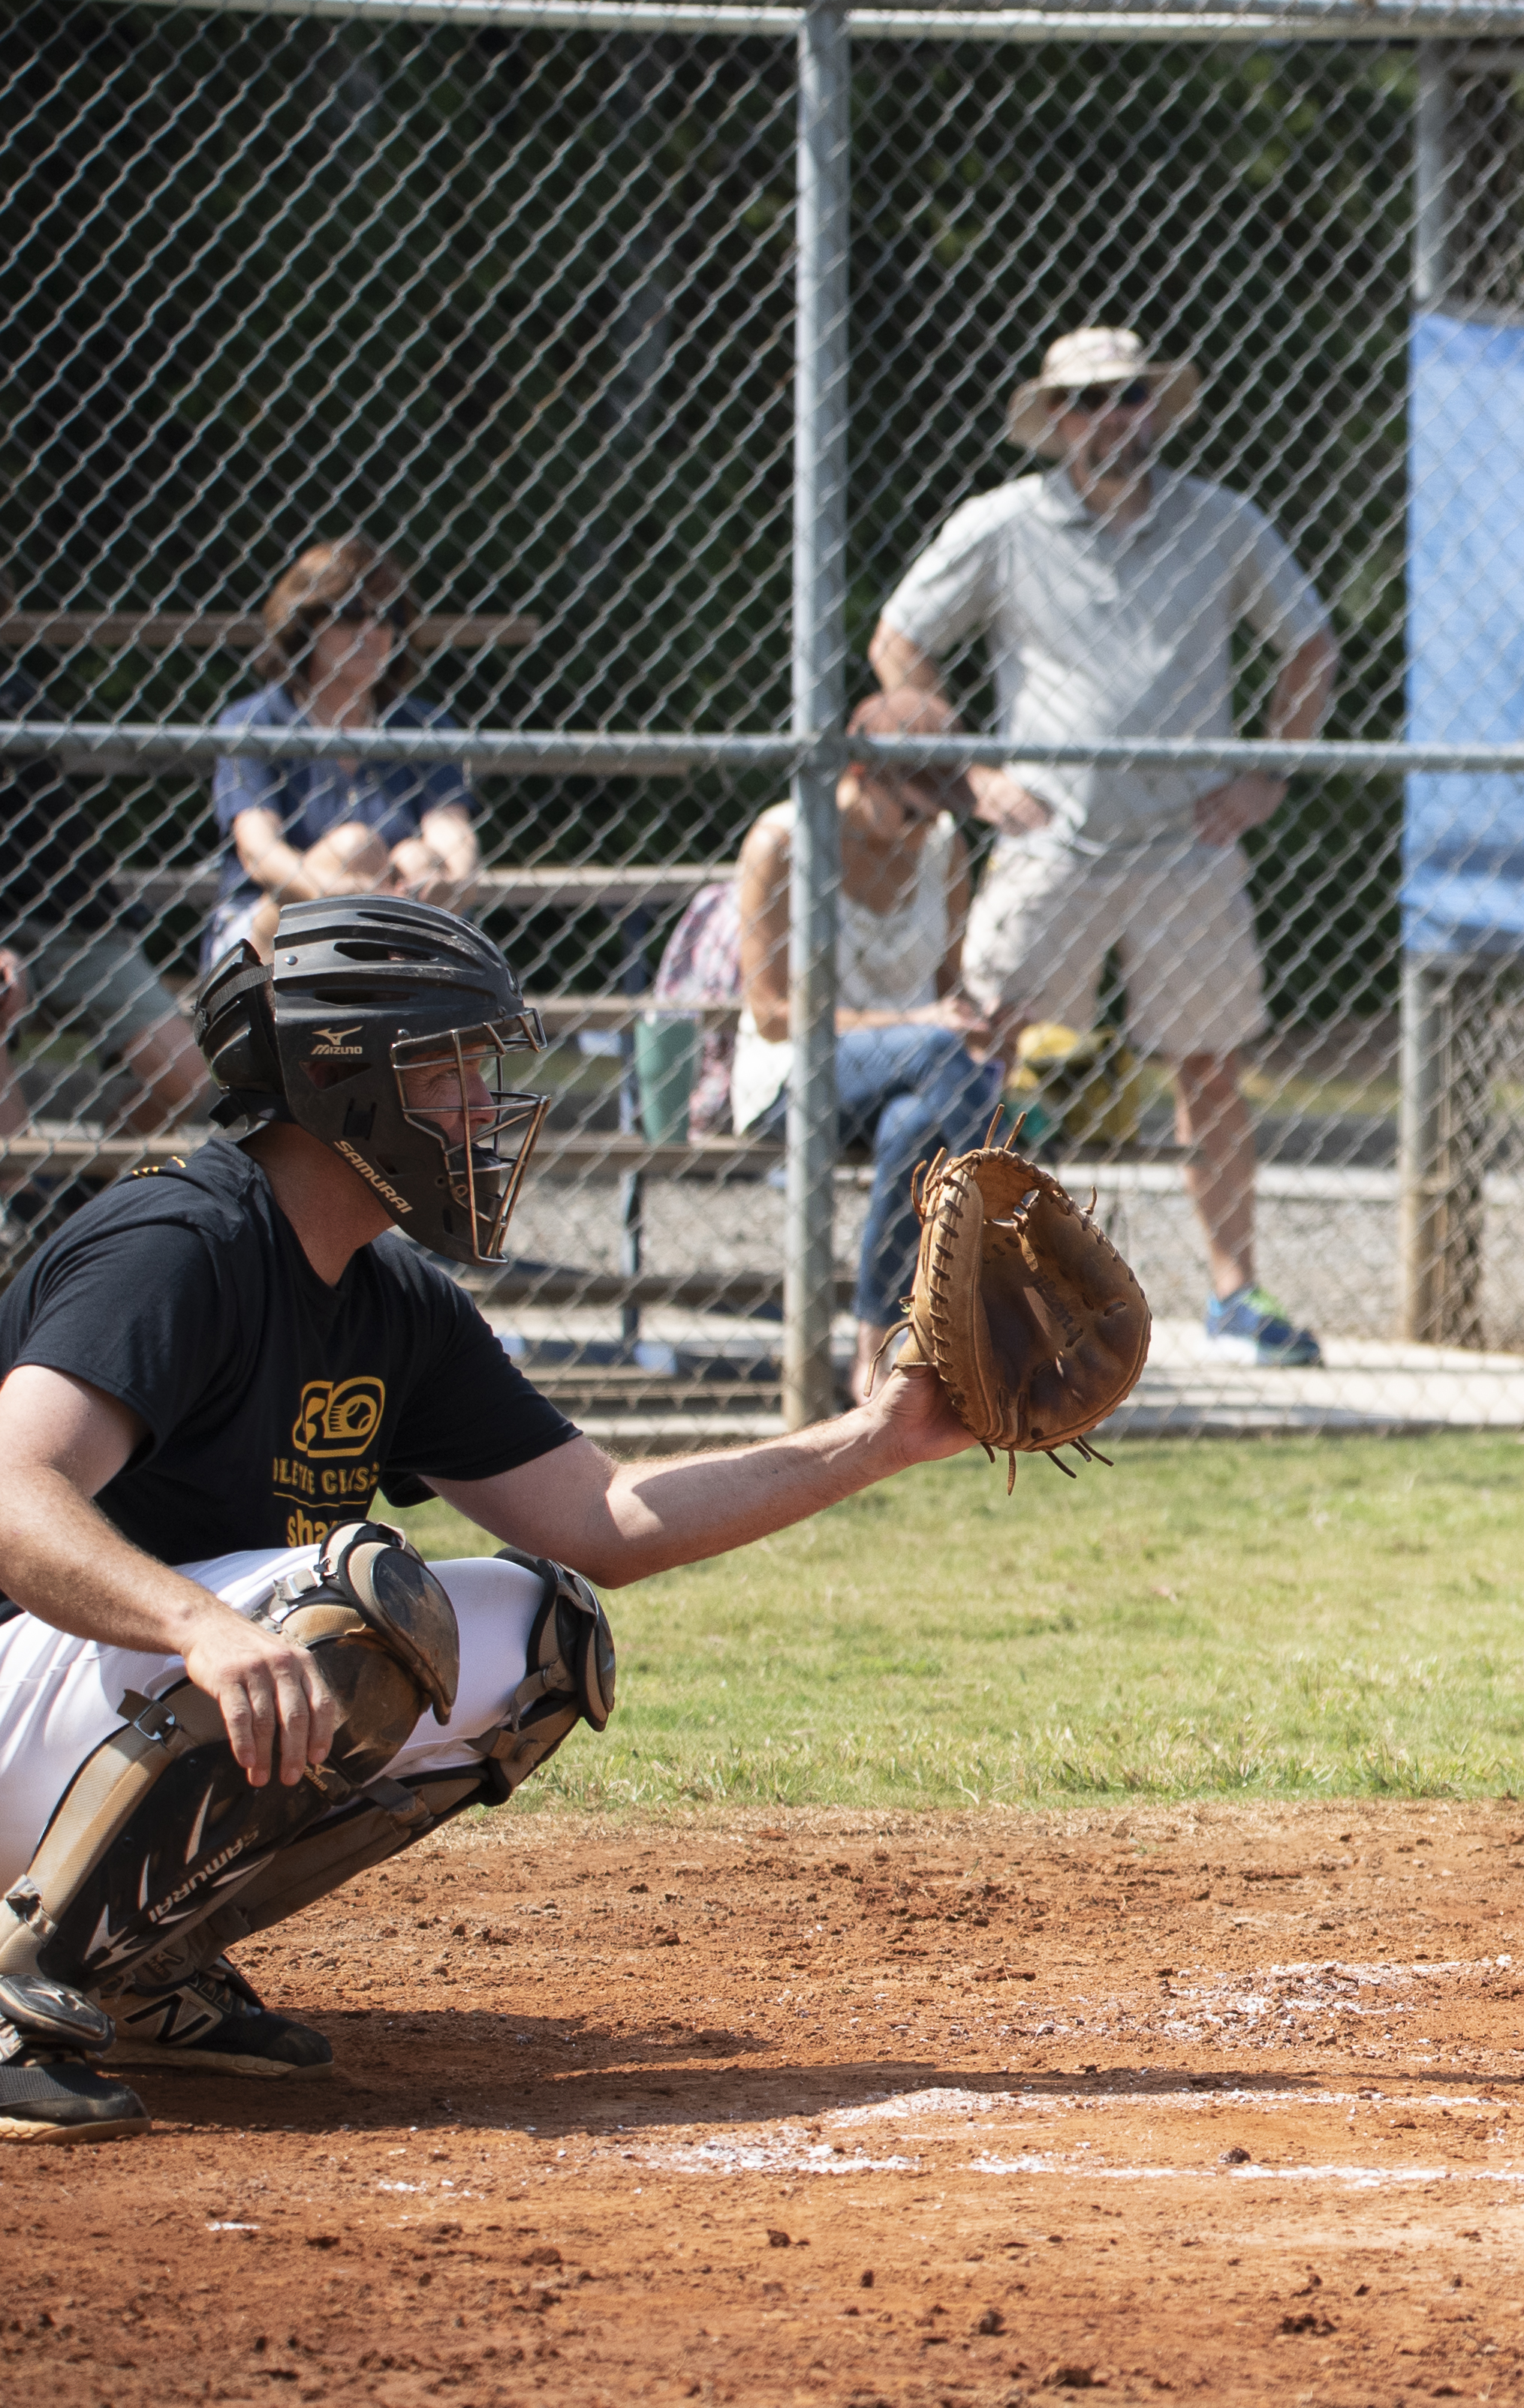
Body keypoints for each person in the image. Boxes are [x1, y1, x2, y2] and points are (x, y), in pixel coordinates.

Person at [0, 897, 977, 2144]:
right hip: (27, 1671)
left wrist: (882, 1436)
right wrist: (203, 1626)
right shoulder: (177, 1241)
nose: (482, 1101)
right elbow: (16, 1489)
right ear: (336, 1076)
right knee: (354, 1603)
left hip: (86, 1720)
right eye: (447, 1065)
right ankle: (20, 1985)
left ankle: (135, 1953)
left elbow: (602, 1517)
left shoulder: (393, 1296)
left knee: (541, 1639)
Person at [869, 327, 1339, 1369]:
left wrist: (1270, 773)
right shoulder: (1003, 523)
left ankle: (1235, 1296)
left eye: (1128, 395)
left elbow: (1309, 641)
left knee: (1210, 1067)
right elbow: (898, 638)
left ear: (1155, 407)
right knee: (985, 1052)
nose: (1110, 417)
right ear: (1055, 419)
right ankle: (967, 1292)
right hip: (1050, 839)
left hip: (1186, 842)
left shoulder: (1222, 522)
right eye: (1085, 401)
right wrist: (969, 775)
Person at [728, 689, 1004, 1392]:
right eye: (914, 806)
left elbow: (948, 985)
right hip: (797, 1076)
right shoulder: (783, 841)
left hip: (920, 1085)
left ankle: (875, 1351)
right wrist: (921, 1028)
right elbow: (770, 1013)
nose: (929, 824)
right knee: (943, 1058)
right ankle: (996, 1278)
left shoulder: (945, 849)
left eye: (943, 808)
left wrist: (990, 1015)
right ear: (857, 773)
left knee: (918, 1124)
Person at [207, 539, 480, 975]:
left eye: (387, 617)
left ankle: (389, 1011)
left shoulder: (423, 726)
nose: (371, 630)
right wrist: (345, 900)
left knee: (417, 858)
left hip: (396, 924)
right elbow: (259, 852)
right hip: (266, 935)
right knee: (357, 846)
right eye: (351, 613)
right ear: (306, 621)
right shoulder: (257, 721)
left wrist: (441, 882)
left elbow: (454, 837)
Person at [0, 649, 208, 1149]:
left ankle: (84, 1203)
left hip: (75, 919)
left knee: (187, 1077)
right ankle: (15, 1208)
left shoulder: (14, 686)